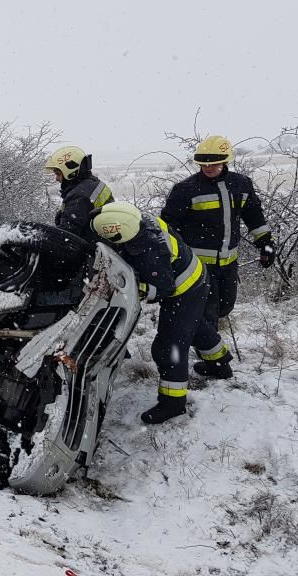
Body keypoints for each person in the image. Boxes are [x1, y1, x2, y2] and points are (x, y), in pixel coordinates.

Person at [90, 202, 227, 424]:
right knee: (194, 326)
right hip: (196, 274)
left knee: (168, 346)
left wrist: (135, 288)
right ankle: (219, 362)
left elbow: (164, 289)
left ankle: (173, 403)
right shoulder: (132, 220)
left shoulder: (148, 249)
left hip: (184, 289)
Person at [160, 135, 273, 378]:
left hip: (229, 264)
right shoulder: (185, 190)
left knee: (224, 307)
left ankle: (210, 351)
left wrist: (265, 243)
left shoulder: (242, 184)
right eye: (204, 164)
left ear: (226, 162)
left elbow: (254, 216)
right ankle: (216, 363)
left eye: (214, 164)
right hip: (198, 268)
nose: (208, 168)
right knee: (206, 314)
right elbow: (167, 228)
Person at [44, 146, 115, 241]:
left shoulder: (79, 196)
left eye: (58, 174)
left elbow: (66, 235)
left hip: (90, 249)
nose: (56, 179)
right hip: (103, 243)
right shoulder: (93, 183)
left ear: (70, 171)